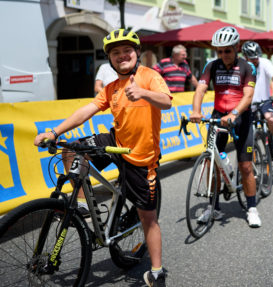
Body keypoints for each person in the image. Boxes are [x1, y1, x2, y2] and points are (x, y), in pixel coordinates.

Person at [34, 29, 172, 287]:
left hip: (141, 157)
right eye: (115, 53)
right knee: (70, 150)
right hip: (116, 142)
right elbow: (88, 109)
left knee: (148, 217)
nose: (122, 56)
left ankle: (156, 270)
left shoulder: (149, 76)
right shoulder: (112, 88)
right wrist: (53, 132)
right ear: (109, 58)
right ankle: (85, 204)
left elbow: (166, 101)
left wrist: (144, 94)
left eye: (127, 50)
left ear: (137, 52)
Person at [190, 26, 261, 228]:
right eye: (219, 51)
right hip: (218, 116)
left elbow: (248, 96)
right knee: (211, 163)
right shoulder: (211, 66)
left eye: (227, 51)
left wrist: (234, 114)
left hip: (241, 117)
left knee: (246, 165)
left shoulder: (248, 67)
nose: (223, 55)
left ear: (237, 47)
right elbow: (201, 89)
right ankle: (213, 207)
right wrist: (196, 110)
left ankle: (252, 208)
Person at [241, 41, 273, 155]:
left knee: (270, 119)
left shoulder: (265, 62)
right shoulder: (240, 66)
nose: (255, 60)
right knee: (246, 131)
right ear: (245, 57)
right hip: (248, 103)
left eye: (257, 57)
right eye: (252, 58)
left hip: (264, 101)